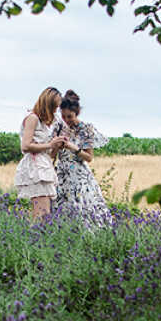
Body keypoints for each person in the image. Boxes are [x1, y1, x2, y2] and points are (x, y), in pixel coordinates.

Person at [53, 89, 113, 226]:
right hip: (62, 175)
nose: (66, 120)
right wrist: (56, 145)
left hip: (79, 177)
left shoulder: (86, 129)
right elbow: (52, 155)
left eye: (70, 116)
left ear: (77, 113)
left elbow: (89, 157)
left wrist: (72, 147)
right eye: (63, 116)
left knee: (84, 210)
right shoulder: (58, 127)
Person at [15, 87, 65, 220]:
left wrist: (56, 145)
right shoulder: (32, 118)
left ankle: (40, 239)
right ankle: (36, 239)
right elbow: (25, 145)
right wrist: (50, 144)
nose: (55, 111)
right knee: (41, 215)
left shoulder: (47, 123)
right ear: (47, 104)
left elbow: (50, 153)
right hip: (35, 169)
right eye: (54, 107)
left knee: (45, 214)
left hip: (45, 165)